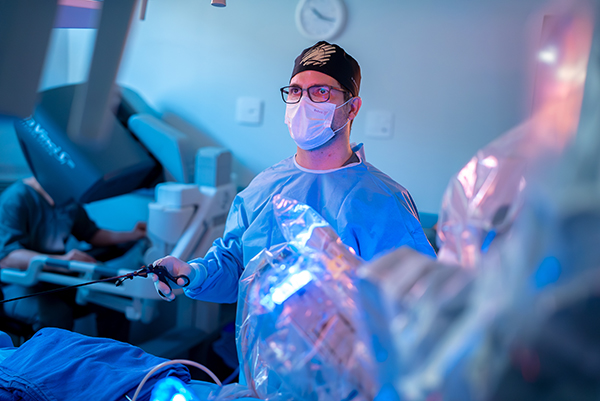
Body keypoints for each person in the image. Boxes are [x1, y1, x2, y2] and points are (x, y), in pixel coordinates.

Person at [152, 41, 436, 304]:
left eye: (321, 91)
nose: (303, 103)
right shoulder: (263, 187)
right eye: (296, 90)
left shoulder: (383, 201)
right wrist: (193, 273)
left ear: (352, 108)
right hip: (260, 343)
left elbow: (416, 301)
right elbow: (235, 266)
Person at [0, 176, 148, 340]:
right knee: (55, 316)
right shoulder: (16, 198)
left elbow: (91, 234)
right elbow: (7, 257)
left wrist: (132, 234)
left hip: (55, 278)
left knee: (114, 294)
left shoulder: (66, 196)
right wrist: (62, 261)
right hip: (17, 283)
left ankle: (112, 356)